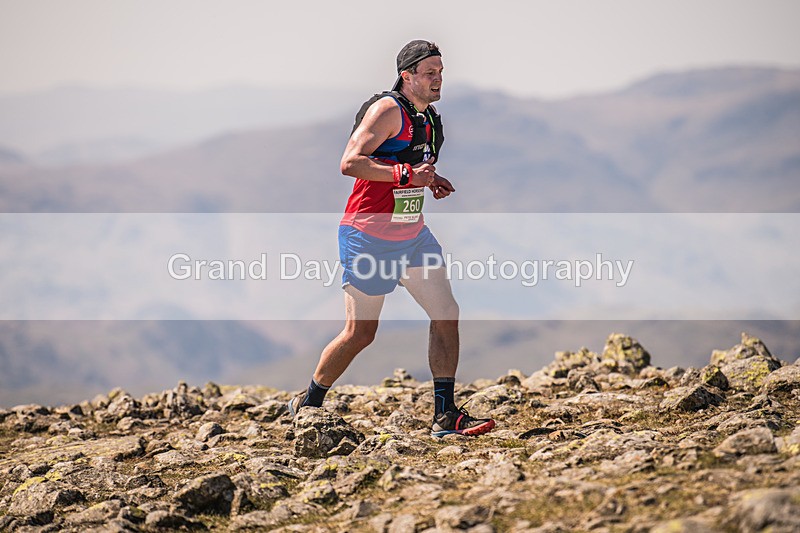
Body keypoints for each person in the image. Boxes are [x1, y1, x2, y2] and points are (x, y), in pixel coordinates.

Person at [287, 40, 496, 438]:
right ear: (408, 76)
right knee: (361, 333)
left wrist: (429, 180)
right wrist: (405, 176)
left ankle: (445, 415)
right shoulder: (387, 110)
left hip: (412, 234)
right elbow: (350, 162)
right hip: (367, 235)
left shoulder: (430, 119)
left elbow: (414, 168)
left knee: (446, 313)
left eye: (441, 72)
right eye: (430, 73)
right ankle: (309, 402)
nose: (438, 80)